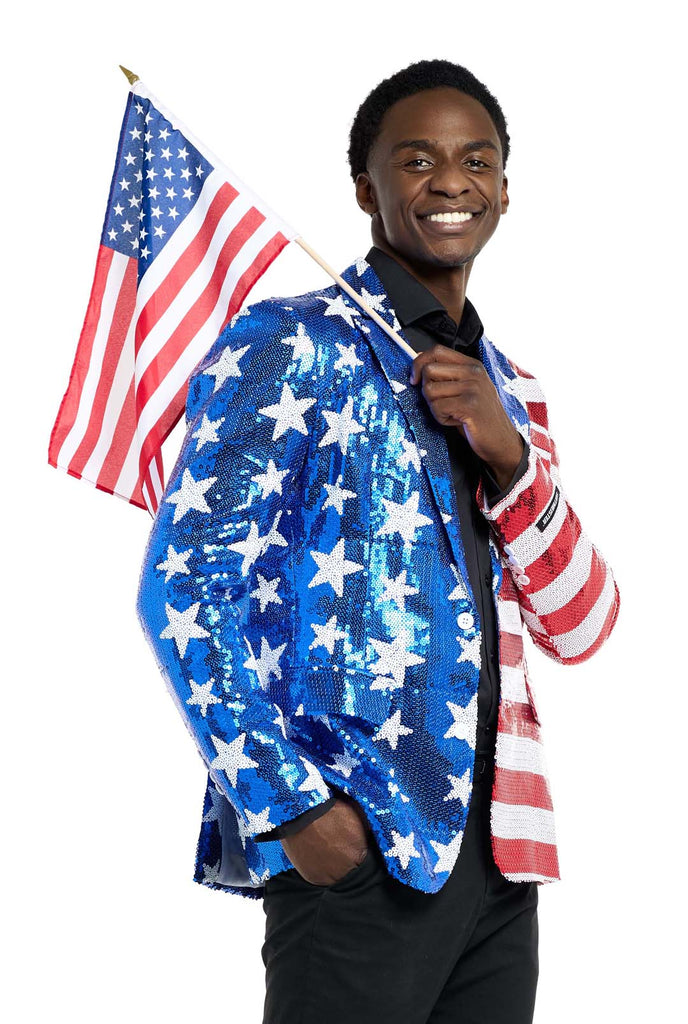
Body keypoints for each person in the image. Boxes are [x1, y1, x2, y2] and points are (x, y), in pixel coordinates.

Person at [136, 59, 620, 1024]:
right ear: (367, 187)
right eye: (417, 160)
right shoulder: (292, 344)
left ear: (505, 191)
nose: (451, 182)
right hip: (361, 851)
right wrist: (295, 810)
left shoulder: (509, 392)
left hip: (502, 853)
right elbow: (184, 590)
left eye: (476, 160)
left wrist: (508, 455)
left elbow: (582, 624)